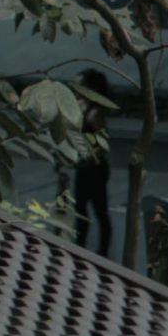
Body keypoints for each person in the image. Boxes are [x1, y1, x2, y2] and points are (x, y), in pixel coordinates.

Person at [72, 69, 113, 256]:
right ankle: (79, 247)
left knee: (99, 210)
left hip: (94, 169)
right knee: (80, 210)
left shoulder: (95, 113)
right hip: (83, 167)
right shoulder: (80, 108)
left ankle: (102, 251)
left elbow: (103, 144)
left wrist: (88, 157)